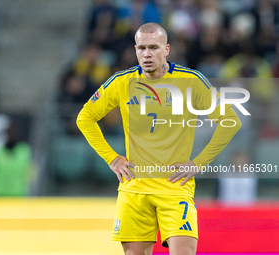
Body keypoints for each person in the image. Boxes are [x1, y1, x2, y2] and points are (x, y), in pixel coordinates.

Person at [77, 23, 241, 255]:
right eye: (142, 48)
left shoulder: (190, 81)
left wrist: (198, 163)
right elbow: (85, 118)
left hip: (175, 188)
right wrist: (112, 159)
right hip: (135, 188)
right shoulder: (121, 81)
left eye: (153, 47)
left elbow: (230, 120)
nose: (147, 53)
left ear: (166, 49)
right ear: (135, 49)